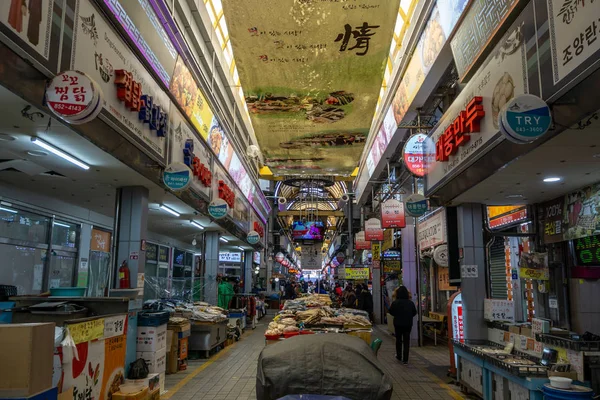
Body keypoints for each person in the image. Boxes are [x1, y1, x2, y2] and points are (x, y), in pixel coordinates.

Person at [389, 286, 416, 364]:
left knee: (398, 340)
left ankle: (399, 355)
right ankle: (405, 359)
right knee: (406, 340)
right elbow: (414, 312)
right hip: (408, 324)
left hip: (398, 324)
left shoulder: (395, 303)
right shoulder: (410, 303)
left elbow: (391, 312)